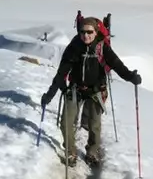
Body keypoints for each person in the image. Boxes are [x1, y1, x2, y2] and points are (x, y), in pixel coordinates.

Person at [41, 17, 141, 166]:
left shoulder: (102, 48)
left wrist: (130, 77)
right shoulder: (74, 47)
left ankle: (92, 152)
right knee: (65, 123)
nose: (85, 35)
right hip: (75, 89)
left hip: (95, 90)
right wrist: (50, 94)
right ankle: (71, 151)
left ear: (96, 32)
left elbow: (117, 65)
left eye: (89, 32)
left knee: (94, 125)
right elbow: (61, 73)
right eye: (82, 31)